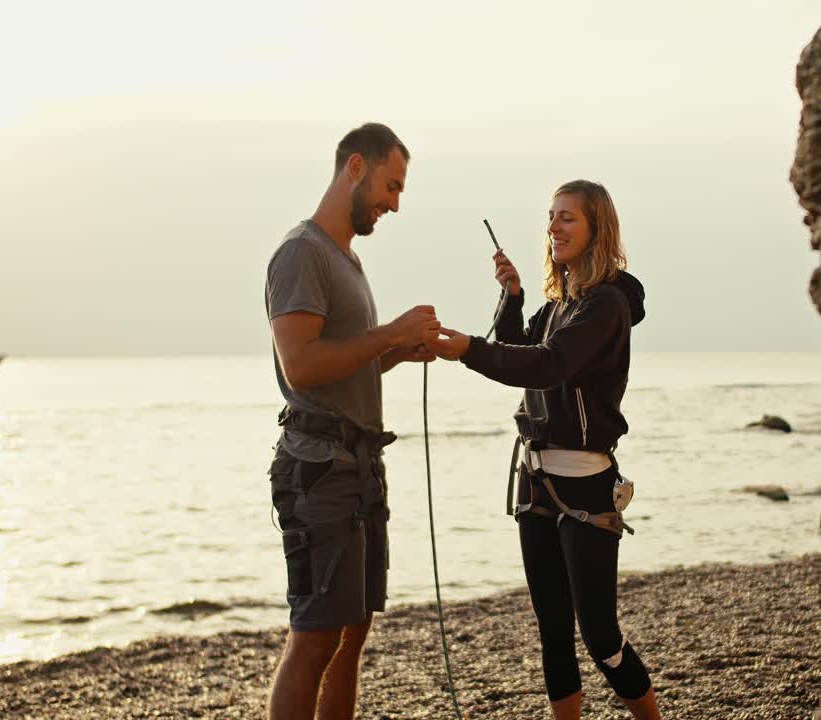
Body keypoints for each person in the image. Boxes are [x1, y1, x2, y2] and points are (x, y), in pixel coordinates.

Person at [428, 180, 662, 719]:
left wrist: (466, 349)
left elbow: (549, 365)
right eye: (550, 218)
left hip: (585, 483)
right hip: (533, 481)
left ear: (596, 229)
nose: (553, 227)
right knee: (554, 633)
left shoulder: (604, 306)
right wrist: (511, 298)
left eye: (567, 218)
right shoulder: (559, 305)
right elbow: (518, 353)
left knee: (600, 636)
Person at [263, 122, 439, 720]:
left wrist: (398, 350)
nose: (395, 202)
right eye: (392, 185)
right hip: (318, 471)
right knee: (314, 637)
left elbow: (346, 362)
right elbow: (302, 364)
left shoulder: (347, 261)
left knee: (352, 634)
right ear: (356, 169)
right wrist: (388, 333)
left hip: (359, 467)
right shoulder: (301, 253)